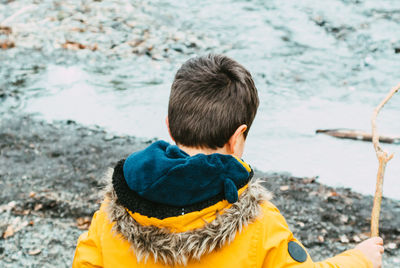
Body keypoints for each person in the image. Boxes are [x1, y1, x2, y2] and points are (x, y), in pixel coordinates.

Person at [72, 54, 384, 268]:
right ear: (237, 137)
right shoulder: (260, 222)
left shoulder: (113, 211)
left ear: (168, 125)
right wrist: (361, 258)